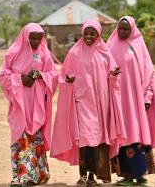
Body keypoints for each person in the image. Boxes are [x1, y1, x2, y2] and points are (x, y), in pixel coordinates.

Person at [51, 20, 126, 187]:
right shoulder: (75, 53)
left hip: (101, 104)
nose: (89, 37)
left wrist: (113, 75)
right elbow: (64, 75)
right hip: (82, 101)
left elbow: (113, 76)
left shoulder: (105, 53)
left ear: (98, 35)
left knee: (97, 140)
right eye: (86, 33)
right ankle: (83, 175)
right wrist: (68, 80)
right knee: (85, 139)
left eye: (92, 34)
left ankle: (93, 176)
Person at [0, 23, 58, 187]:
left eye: (39, 38)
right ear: (25, 37)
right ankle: (21, 176)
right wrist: (20, 79)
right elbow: (2, 76)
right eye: (33, 38)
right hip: (20, 103)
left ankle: (38, 174)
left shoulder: (44, 54)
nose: (36, 41)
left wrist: (40, 76)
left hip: (37, 104)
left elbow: (53, 75)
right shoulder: (13, 53)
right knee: (20, 136)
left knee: (35, 138)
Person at [107, 16, 155, 186]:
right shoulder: (110, 46)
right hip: (118, 101)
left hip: (136, 102)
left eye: (126, 29)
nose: (123, 32)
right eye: (120, 28)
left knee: (137, 134)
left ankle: (140, 175)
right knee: (122, 135)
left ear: (132, 29)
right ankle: (125, 175)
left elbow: (149, 74)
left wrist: (147, 98)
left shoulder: (139, 46)